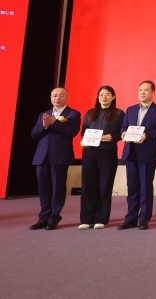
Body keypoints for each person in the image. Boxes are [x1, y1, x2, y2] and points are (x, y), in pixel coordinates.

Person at [118, 80, 156, 230]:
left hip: (148, 153)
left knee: (145, 187)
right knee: (132, 186)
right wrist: (123, 133)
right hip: (131, 152)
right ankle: (131, 218)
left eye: (146, 90)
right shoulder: (130, 109)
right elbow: (123, 127)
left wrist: (147, 135)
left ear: (153, 93)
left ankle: (144, 218)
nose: (142, 93)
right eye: (140, 90)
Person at [29, 88, 81, 230]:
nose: (57, 98)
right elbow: (34, 134)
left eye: (61, 95)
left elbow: (73, 132)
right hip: (42, 157)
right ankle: (43, 217)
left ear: (67, 97)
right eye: (54, 95)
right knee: (43, 188)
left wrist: (55, 122)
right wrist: (44, 126)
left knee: (58, 188)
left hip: (60, 156)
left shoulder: (73, 114)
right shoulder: (43, 114)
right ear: (51, 97)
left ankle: (54, 218)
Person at [78, 85, 124, 230]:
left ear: (113, 97)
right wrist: (84, 139)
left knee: (104, 186)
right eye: (101, 94)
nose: (104, 97)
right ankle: (86, 219)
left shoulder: (119, 113)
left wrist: (113, 137)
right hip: (90, 152)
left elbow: (123, 132)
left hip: (108, 153)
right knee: (88, 186)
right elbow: (84, 130)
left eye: (107, 94)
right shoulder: (90, 113)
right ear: (98, 97)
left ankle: (101, 218)